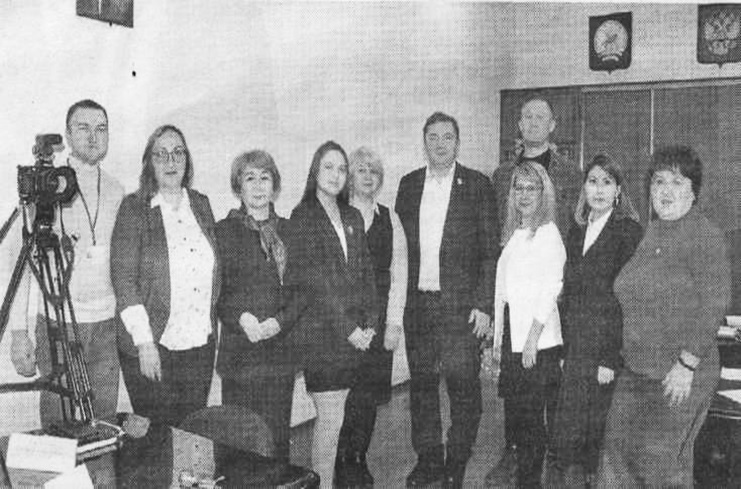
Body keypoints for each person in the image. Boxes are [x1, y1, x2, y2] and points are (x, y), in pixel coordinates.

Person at [597, 145, 731, 487]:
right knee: (615, 459)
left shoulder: (704, 235)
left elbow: (714, 304)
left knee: (657, 466)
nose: (666, 191)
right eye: (659, 182)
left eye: (677, 182)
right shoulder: (653, 231)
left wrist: (687, 364)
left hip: (679, 372)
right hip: (637, 368)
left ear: (693, 191)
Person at [395, 112, 498, 488]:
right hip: (419, 306)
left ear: (458, 142)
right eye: (433, 137)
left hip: (461, 308)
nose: (440, 144)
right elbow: (400, 249)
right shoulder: (409, 185)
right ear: (424, 142)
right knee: (422, 388)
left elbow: (490, 251)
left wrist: (484, 305)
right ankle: (428, 460)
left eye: (447, 137)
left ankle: (456, 459)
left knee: (463, 387)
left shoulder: (477, 185)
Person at [11, 99, 124, 427]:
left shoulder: (117, 190)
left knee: (103, 423)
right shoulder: (46, 187)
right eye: (83, 128)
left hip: (106, 325)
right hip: (58, 322)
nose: (93, 137)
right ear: (68, 135)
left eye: (101, 129)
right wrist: (19, 333)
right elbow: (22, 266)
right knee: (57, 424)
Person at [489, 96, 580, 483]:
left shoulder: (568, 177)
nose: (533, 122)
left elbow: (558, 271)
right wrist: (497, 337)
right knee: (521, 409)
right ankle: (520, 464)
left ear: (553, 124)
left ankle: (546, 469)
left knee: (539, 409)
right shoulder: (502, 180)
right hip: (516, 324)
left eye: (541, 116)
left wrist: (533, 335)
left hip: (541, 325)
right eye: (526, 116)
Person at [283, 141, 378, 489]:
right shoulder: (303, 216)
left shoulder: (351, 215)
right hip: (324, 339)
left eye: (341, 169)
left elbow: (366, 274)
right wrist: (349, 329)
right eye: (328, 167)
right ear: (315, 171)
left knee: (338, 422)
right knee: (330, 420)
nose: (336, 175)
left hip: (355, 338)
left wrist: (370, 324)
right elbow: (315, 284)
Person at [111, 124, 219, 427]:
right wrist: (144, 343)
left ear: (187, 160)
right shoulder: (134, 208)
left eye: (178, 153)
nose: (171, 161)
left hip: (199, 346)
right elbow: (124, 280)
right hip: (152, 345)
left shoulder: (201, 204)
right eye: (161, 154)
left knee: (191, 433)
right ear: (150, 163)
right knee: (157, 438)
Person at [549, 153, 642, 486]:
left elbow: (626, 300)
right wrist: (564, 348)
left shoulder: (629, 231)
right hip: (575, 346)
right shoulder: (576, 230)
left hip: (605, 348)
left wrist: (609, 358)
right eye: (593, 181)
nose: (599, 190)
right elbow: (569, 294)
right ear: (584, 188)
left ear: (618, 190)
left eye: (607, 182)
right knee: (570, 429)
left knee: (597, 432)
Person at [215, 150, 298, 476]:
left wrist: (279, 322)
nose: (259, 185)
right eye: (250, 178)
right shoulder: (223, 231)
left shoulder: (291, 230)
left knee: (277, 443)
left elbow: (303, 291)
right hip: (240, 357)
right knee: (240, 444)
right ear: (239, 186)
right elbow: (217, 292)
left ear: (275, 185)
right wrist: (241, 318)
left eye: (265, 177)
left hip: (279, 355)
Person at [334, 147, 408, 488]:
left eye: (373, 171)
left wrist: (393, 323)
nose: (367, 176)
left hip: (377, 323)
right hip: (342, 325)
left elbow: (399, 274)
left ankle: (358, 458)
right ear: (350, 176)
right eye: (361, 170)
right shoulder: (335, 214)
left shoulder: (390, 219)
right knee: (342, 397)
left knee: (367, 397)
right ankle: (339, 460)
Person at [491, 160, 565, 488]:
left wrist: (533, 338)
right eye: (518, 188)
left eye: (531, 188)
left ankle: (530, 483)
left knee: (532, 424)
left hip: (537, 342)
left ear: (543, 192)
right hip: (515, 337)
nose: (524, 194)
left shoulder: (548, 234)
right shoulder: (515, 233)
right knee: (520, 421)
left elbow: (551, 288)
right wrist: (497, 341)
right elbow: (505, 293)